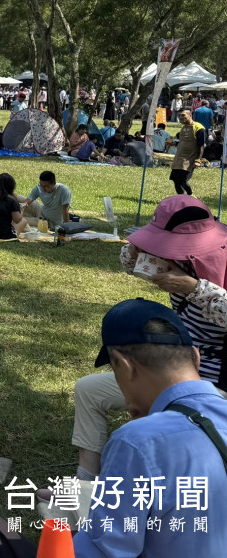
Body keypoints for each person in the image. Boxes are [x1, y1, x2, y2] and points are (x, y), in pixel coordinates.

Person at [0, 298, 227, 558]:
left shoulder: (138, 442)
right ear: (196, 356)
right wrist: (90, 497)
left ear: (126, 367)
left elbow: (104, 551)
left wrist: (71, 526)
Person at [66, 194, 227, 483]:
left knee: (151, 424)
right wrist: (144, 243)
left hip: (215, 386)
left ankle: (140, 486)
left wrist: (195, 288)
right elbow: (129, 262)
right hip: (173, 368)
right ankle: (86, 480)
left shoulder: (217, 265)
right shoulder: (174, 258)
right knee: (89, 390)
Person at [170, 108, 205, 196]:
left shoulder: (199, 128)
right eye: (179, 116)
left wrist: (198, 160)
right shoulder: (183, 127)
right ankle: (181, 198)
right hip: (179, 157)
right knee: (175, 180)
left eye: (183, 115)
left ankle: (190, 196)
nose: (180, 118)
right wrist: (174, 143)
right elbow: (183, 141)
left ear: (190, 116)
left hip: (189, 158)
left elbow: (201, 145)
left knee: (183, 180)